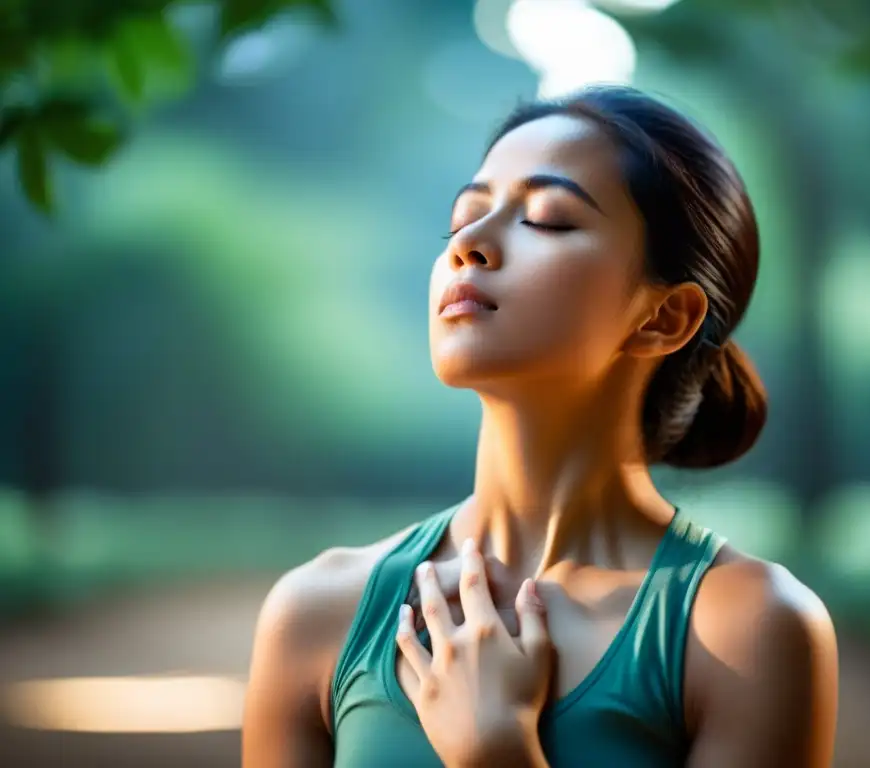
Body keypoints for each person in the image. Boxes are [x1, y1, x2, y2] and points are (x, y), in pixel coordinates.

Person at [242, 85, 839, 767]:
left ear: (664, 318)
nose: (469, 243)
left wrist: (500, 755)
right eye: (464, 216)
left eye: (548, 219)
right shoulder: (320, 611)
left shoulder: (745, 629)